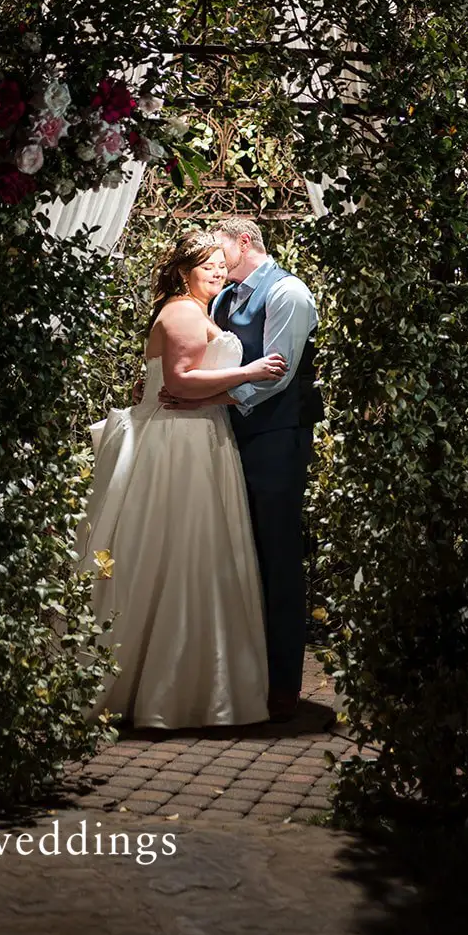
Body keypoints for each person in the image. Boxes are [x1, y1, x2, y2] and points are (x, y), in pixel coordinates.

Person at [78, 229, 287, 729]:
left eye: (221, 264)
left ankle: (194, 682)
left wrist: (226, 396)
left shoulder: (198, 311)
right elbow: (178, 383)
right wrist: (249, 372)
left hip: (199, 435)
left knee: (197, 553)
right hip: (178, 443)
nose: (217, 272)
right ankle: (166, 686)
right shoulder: (182, 312)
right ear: (183, 269)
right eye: (207, 265)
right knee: (178, 549)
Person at [159, 217, 321, 721]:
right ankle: (241, 678)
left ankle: (283, 686)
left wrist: (219, 399)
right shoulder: (224, 298)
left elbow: (277, 372)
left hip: (276, 440)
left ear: (243, 241)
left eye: (219, 247)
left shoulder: (287, 292)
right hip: (227, 439)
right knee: (235, 558)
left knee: (277, 557)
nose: (213, 257)